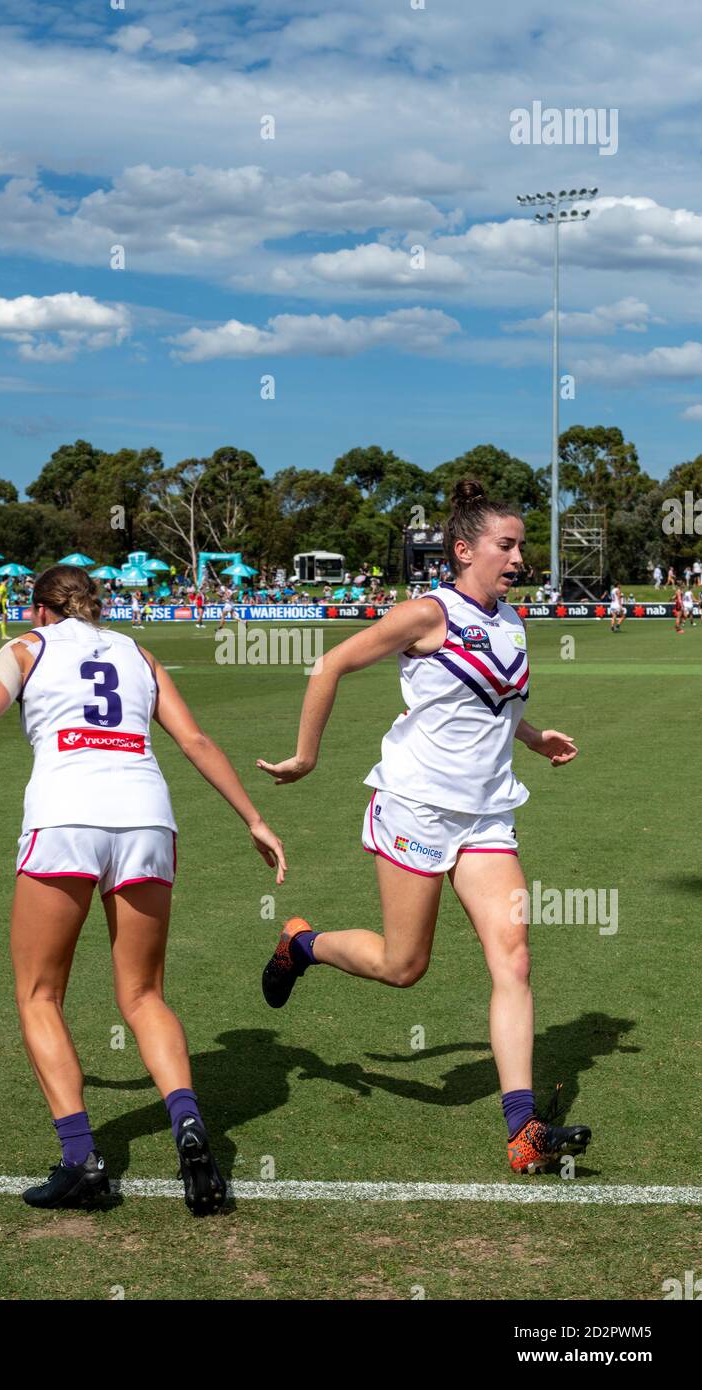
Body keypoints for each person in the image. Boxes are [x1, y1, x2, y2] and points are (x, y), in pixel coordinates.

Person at [0, 565, 286, 1214]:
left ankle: (82, 1162)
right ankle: (191, 1128)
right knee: (143, 996)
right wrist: (253, 819)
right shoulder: (138, 652)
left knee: (39, 994)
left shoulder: (27, 647)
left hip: (65, 818)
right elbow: (193, 739)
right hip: (146, 818)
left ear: (42, 610)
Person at [256, 479, 591, 1175]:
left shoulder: (511, 622)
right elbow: (331, 665)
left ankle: (522, 1130)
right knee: (404, 966)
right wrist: (308, 756)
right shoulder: (425, 614)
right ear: (464, 549)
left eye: (522, 545)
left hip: (488, 814)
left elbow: (487, 701)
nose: (519, 557)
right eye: (507, 544)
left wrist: (532, 738)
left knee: (515, 958)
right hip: (415, 806)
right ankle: (303, 945)